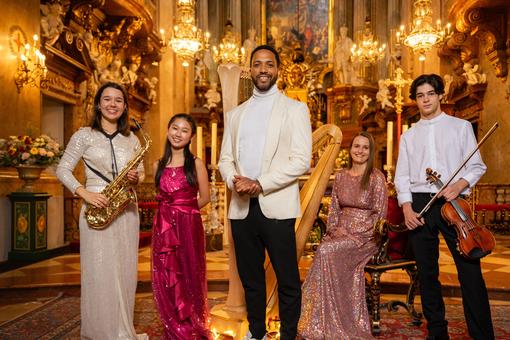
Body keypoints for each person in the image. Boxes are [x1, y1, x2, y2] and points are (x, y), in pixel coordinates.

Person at [218, 45, 312, 340]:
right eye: (257, 64)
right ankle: (256, 333)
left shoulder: (295, 110)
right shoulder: (235, 115)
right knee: (251, 280)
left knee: (287, 280)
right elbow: (224, 159)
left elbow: (301, 160)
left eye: (269, 64)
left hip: (277, 207)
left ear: (277, 71)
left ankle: (288, 335)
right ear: (250, 70)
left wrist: (259, 183)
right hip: (242, 208)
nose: (263, 70)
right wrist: (235, 181)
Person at [394, 74, 494, 340]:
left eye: (430, 94)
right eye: (420, 95)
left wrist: (459, 184)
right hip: (420, 205)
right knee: (427, 273)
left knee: (470, 270)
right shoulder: (409, 136)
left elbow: (476, 166)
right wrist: (406, 208)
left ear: (440, 96)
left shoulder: (460, 127)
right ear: (416, 100)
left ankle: (482, 334)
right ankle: (437, 333)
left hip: (452, 203)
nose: (425, 99)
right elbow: (402, 176)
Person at [56, 82, 147, 339]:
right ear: (98, 104)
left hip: (126, 208)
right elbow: (62, 170)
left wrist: (135, 178)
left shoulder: (132, 139)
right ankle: (100, 331)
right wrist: (85, 193)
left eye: (118, 100)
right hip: (96, 205)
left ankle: (122, 328)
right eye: (107, 99)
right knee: (98, 269)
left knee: (126, 269)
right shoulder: (83, 135)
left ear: (125, 106)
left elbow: (141, 173)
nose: (112, 104)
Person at [298, 131, 388, 339]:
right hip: (341, 232)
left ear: (370, 151)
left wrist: (358, 234)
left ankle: (342, 321)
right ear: (350, 149)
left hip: (366, 237)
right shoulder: (340, 175)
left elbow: (380, 215)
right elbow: (335, 210)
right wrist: (334, 229)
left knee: (326, 251)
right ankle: (320, 320)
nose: (360, 151)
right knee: (325, 249)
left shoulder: (376, 178)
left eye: (365, 147)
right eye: (357, 146)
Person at [152, 113, 211, 339]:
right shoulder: (158, 164)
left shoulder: (195, 164)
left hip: (188, 225)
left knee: (189, 271)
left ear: (191, 137)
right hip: (164, 227)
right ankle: (172, 323)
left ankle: (191, 322)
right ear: (168, 131)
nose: (178, 134)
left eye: (184, 130)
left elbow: (204, 197)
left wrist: (182, 209)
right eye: (174, 128)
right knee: (166, 273)